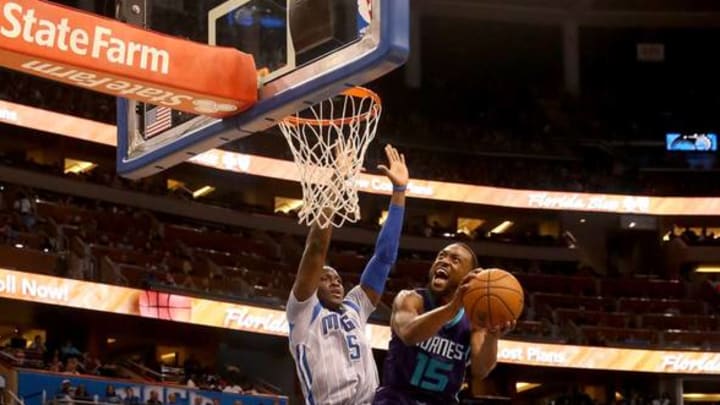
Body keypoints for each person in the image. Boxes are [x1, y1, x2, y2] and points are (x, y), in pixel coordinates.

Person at [287, 144, 409, 405]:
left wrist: (399, 193)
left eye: (338, 280)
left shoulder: (355, 307)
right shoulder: (303, 313)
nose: (335, 282)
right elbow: (317, 248)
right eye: (325, 278)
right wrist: (338, 178)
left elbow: (384, 258)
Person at [373, 244, 515, 404]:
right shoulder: (411, 299)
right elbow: (408, 334)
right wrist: (454, 306)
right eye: (441, 256)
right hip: (397, 399)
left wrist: (492, 337)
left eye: (455, 260)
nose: (444, 261)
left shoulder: (473, 319)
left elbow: (480, 371)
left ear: (468, 277)